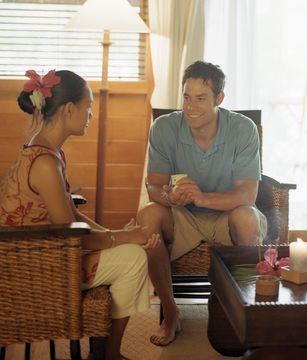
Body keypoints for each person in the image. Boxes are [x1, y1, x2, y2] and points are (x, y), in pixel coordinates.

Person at [0, 69, 160, 360]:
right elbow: (73, 237)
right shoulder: (45, 163)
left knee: (129, 250)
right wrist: (126, 238)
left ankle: (105, 352)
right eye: (88, 107)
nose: (90, 115)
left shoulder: (47, 152)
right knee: (135, 259)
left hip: (45, 253)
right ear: (69, 110)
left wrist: (117, 235)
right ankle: (109, 355)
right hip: (35, 268)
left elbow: (72, 214)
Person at [137, 60, 267, 346]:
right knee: (148, 216)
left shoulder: (243, 129)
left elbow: (247, 195)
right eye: (186, 97)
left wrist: (203, 197)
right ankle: (171, 313)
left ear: (219, 98)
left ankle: (246, 312)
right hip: (182, 216)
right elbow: (154, 186)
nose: (190, 106)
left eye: (200, 98)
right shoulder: (164, 127)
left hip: (228, 214)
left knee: (247, 217)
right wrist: (169, 197)